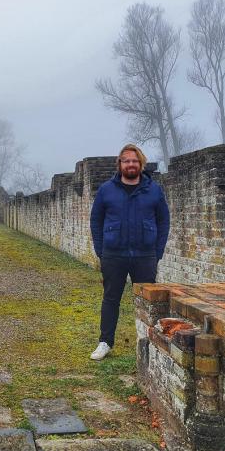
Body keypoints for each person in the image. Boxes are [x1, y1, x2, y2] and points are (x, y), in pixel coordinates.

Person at [89, 144, 170, 360]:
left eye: (134, 161)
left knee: (147, 300)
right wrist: (101, 250)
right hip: (113, 254)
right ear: (120, 164)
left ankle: (149, 341)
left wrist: (157, 251)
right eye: (126, 161)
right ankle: (105, 342)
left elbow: (164, 221)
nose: (131, 164)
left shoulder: (153, 190)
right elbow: (96, 221)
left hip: (145, 255)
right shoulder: (107, 190)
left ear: (140, 164)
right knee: (110, 298)